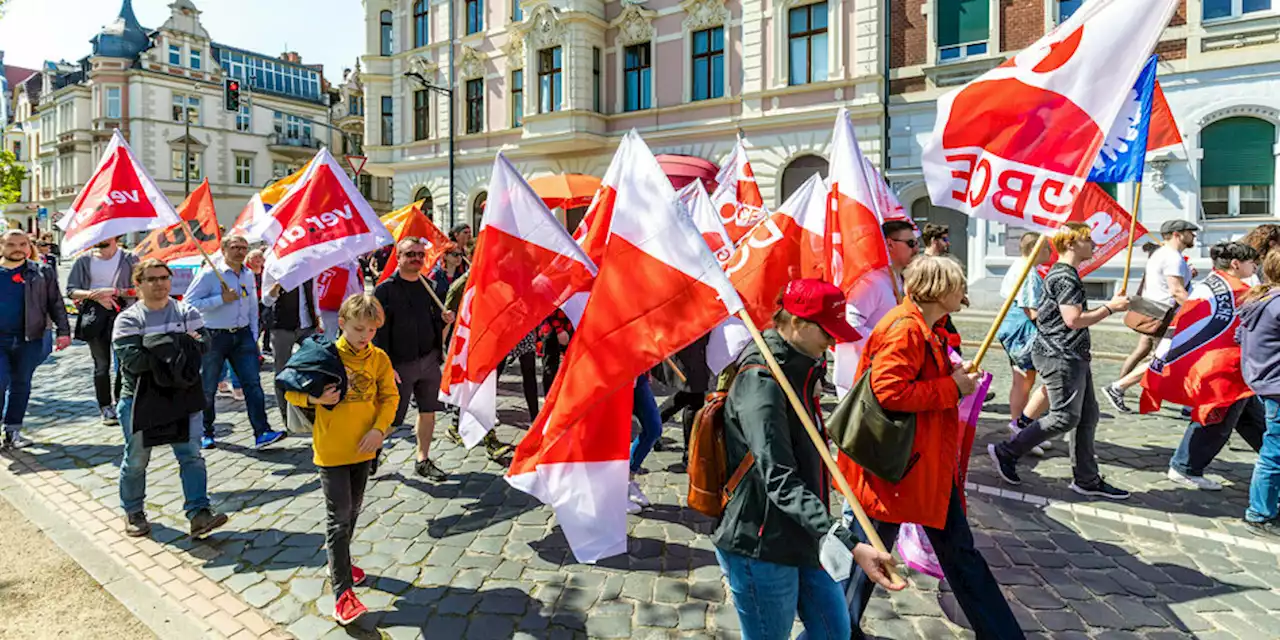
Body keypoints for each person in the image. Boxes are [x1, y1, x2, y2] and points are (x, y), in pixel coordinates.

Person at [838, 256, 1021, 638]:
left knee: (956, 555)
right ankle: (833, 630)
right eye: (958, 285)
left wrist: (952, 377)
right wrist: (953, 387)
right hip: (899, 468)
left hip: (919, 467)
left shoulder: (923, 326)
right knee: (868, 561)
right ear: (938, 289)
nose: (964, 292)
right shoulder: (906, 329)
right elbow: (889, 392)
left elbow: (912, 381)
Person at [715, 278, 902, 639]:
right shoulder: (762, 381)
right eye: (826, 332)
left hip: (804, 534)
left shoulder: (800, 369)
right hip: (762, 543)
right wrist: (848, 542)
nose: (832, 343)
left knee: (835, 631)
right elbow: (780, 479)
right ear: (797, 324)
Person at [989, 222, 1131, 499]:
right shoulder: (1065, 277)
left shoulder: (1063, 273)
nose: (1093, 244)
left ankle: (1087, 479)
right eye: (1087, 239)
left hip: (1071, 353)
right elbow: (1073, 320)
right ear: (1070, 244)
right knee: (1065, 417)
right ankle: (1007, 451)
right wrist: (1110, 308)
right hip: (1060, 354)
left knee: (1087, 417)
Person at [286, 294, 397, 625]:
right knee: (338, 518)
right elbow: (289, 389)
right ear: (343, 324)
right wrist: (313, 397)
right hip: (332, 451)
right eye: (358, 328)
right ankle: (343, 594)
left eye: (371, 330)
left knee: (353, 512)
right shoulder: (324, 354)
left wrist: (380, 430)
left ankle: (341, 560)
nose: (365, 336)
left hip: (364, 449)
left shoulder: (378, 359)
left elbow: (390, 397)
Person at [114, 258, 228, 539]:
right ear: (138, 284)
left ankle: (199, 513)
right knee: (137, 459)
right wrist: (180, 344)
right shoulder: (128, 319)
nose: (159, 284)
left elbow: (203, 347)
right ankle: (133, 510)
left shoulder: (186, 310)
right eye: (151, 279)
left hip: (183, 398)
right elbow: (134, 361)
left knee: (191, 456)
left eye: (164, 277)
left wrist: (159, 345)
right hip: (140, 399)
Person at [1168, 242, 1264, 491]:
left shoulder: (1210, 283)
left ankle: (1272, 458)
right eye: (1252, 263)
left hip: (1215, 362)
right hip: (1227, 367)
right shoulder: (1239, 291)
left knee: (1249, 417)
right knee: (1216, 420)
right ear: (1236, 264)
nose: (1255, 267)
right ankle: (1185, 467)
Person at [185, 235, 286, 450]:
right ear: (224, 249)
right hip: (214, 336)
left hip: (242, 336)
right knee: (208, 387)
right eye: (235, 247)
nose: (240, 251)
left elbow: (251, 306)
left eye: (243, 247)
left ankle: (262, 431)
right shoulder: (211, 273)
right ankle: (206, 431)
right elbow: (189, 303)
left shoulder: (248, 274)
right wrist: (220, 300)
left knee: (253, 385)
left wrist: (253, 333)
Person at [374, 238, 455, 481]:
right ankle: (371, 450)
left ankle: (423, 459)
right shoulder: (385, 289)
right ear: (398, 257)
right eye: (410, 254)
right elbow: (377, 332)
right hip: (399, 365)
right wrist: (386, 367)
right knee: (394, 420)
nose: (416, 258)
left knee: (428, 411)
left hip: (429, 361)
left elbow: (434, 324)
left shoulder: (428, 286)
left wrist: (445, 320)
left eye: (420, 254)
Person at [1105, 219, 1198, 412]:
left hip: (1157, 310)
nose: (1194, 235)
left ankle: (1185, 402)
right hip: (1165, 314)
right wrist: (1199, 311)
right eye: (1190, 232)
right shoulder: (1173, 258)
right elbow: (1177, 291)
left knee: (1168, 357)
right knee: (1164, 358)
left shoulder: (1162, 254)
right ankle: (1118, 387)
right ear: (1177, 234)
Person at [0, 231, 71, 449]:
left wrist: (63, 331)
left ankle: (13, 431)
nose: (18, 248)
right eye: (11, 244)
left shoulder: (42, 271)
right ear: (2, 246)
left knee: (22, 383)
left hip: (30, 337)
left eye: (23, 244)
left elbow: (55, 302)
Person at [834, 220, 918, 395]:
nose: (916, 249)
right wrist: (887, 344)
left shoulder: (899, 279)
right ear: (890, 244)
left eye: (917, 243)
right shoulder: (870, 282)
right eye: (910, 243)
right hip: (860, 379)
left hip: (886, 373)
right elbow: (850, 325)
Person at [66, 236, 139, 426]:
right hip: (95, 318)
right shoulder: (83, 260)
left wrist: (116, 292)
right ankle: (105, 406)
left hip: (125, 317)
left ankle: (123, 402)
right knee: (101, 365)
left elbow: (140, 288)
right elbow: (71, 290)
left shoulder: (130, 258)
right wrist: (94, 295)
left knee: (125, 362)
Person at [997, 231, 1052, 456]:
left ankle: (1023, 428)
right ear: (1035, 250)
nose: (1050, 252)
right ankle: (1021, 429)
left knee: (1023, 380)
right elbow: (1031, 310)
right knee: (1034, 380)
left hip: (1013, 329)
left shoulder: (1021, 266)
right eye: (1047, 249)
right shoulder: (1027, 271)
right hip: (1022, 332)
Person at [1238, 250, 1280, 538]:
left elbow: (1240, 337)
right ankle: (1260, 512)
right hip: (1276, 385)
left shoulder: (1261, 298)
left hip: (1265, 382)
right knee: (1275, 452)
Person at [262, 274, 320, 425]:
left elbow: (314, 294)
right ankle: (286, 416)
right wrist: (277, 286)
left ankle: (313, 409)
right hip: (282, 327)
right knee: (282, 371)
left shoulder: (307, 269)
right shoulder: (274, 270)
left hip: (307, 326)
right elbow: (266, 300)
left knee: (317, 366)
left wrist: (318, 318)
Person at [317, 261, 365, 342]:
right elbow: (356, 287)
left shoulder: (325, 262)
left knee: (330, 336)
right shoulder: (352, 265)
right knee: (344, 336)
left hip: (332, 304)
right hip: (342, 305)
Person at [246, 249, 272, 356]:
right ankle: (254, 348)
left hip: (264, 301)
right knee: (256, 326)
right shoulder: (245, 272)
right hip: (251, 303)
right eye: (255, 257)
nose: (258, 259)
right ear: (249, 259)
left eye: (260, 257)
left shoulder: (266, 271)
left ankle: (266, 346)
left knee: (268, 324)